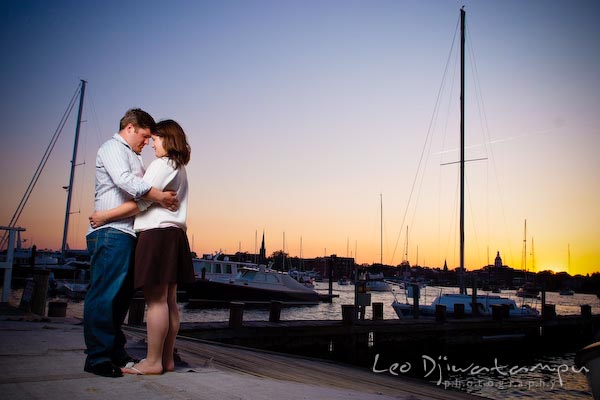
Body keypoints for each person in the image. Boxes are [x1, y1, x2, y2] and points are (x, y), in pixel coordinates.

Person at [89, 119, 195, 375]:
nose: (152, 145)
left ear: (167, 139)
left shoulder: (161, 164)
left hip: (156, 234)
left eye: (155, 139)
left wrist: (105, 216)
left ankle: (152, 362)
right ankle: (166, 359)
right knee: (169, 301)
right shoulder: (179, 167)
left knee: (156, 301)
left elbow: (142, 202)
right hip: (175, 234)